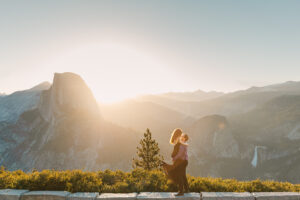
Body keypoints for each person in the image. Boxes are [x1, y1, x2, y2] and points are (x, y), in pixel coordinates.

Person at [162, 129, 189, 196]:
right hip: (184, 161)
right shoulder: (180, 141)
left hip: (181, 161)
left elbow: (180, 153)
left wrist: (175, 158)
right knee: (183, 175)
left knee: (179, 175)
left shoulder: (180, 141)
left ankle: (181, 191)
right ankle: (186, 189)